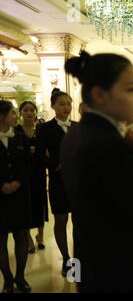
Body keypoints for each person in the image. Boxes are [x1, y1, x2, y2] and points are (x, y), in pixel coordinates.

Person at [61, 51, 133, 293]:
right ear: (99, 94)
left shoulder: (75, 134)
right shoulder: (109, 145)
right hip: (122, 272)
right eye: (130, 90)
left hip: (95, 266)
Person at [36, 88, 76, 277]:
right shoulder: (44, 128)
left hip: (79, 183)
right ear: (53, 106)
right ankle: (66, 259)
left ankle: (78, 258)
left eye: (68, 104)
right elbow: (39, 156)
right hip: (58, 182)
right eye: (61, 104)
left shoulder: (78, 127)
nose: (66, 107)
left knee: (80, 222)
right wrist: (56, 164)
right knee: (60, 221)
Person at [0, 100, 32, 293]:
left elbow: (29, 165)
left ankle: (20, 276)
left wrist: (18, 183)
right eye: (13, 113)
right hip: (0, 197)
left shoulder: (21, 138)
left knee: (22, 237)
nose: (16, 116)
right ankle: (7, 279)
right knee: (1, 240)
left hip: (20, 196)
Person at [17, 101, 48, 253]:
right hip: (24, 174)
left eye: (32, 110)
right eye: (26, 110)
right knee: (26, 205)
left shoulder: (41, 129)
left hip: (39, 172)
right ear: (20, 113)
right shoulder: (16, 130)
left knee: (40, 203)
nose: (29, 113)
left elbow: (47, 150)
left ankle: (40, 236)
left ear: (35, 112)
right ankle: (28, 238)